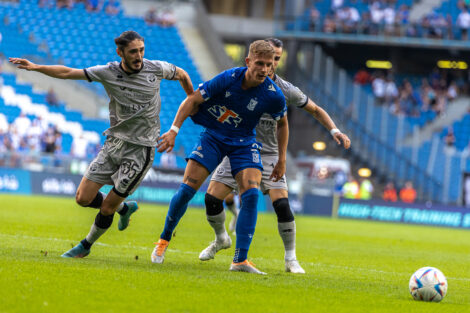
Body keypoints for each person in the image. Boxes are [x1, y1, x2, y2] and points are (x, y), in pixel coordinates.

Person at [9, 30, 194, 258]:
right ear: (120, 53)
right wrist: (36, 67)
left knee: (107, 207)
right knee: (82, 198)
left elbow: (183, 74)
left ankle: (84, 246)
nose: (139, 56)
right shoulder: (108, 72)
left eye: (141, 50)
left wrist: (192, 98)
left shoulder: (156, 68)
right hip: (114, 144)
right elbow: (68, 72)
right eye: (133, 52)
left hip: (141, 149)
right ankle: (125, 208)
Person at [198, 38, 351, 274]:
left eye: (276, 60)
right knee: (211, 199)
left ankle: (291, 259)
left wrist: (335, 130)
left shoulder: (285, 90)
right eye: (268, 60)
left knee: (282, 205)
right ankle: (220, 239)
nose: (271, 65)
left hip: (268, 154)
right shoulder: (238, 81)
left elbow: (315, 110)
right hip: (238, 147)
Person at [152, 40, 288, 275]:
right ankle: (163, 242)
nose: (265, 69)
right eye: (259, 63)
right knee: (187, 191)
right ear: (248, 62)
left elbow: (283, 124)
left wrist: (282, 158)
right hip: (214, 137)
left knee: (252, 194)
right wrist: (174, 131)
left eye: (269, 64)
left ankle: (240, 260)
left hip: (244, 142)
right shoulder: (228, 78)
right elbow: (193, 100)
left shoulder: (274, 95)